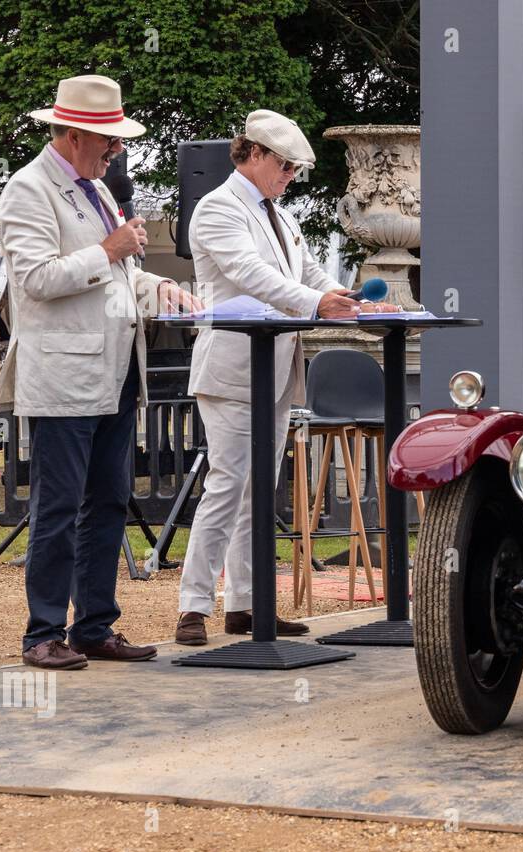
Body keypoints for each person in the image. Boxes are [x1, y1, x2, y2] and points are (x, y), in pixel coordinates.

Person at [0, 75, 201, 670]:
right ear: (77, 133)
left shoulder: (97, 190)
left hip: (113, 372)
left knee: (109, 499)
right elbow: (35, 279)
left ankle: (93, 626)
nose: (116, 151)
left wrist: (155, 282)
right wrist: (108, 251)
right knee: (59, 507)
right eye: (109, 141)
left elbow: (117, 273)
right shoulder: (28, 189)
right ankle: (41, 635)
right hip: (63, 375)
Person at [174, 110, 391, 646]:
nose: (290, 174)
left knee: (258, 489)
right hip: (230, 367)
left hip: (273, 366)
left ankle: (246, 604)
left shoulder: (282, 216)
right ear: (251, 152)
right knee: (228, 483)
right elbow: (252, 275)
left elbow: (306, 272)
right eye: (285, 164)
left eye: (295, 168)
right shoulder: (216, 208)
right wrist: (318, 301)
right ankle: (193, 605)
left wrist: (344, 295)